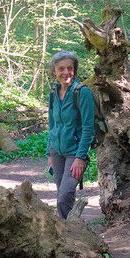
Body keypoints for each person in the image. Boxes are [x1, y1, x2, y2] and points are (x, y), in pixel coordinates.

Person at [47, 50, 95, 219]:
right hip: (57, 152)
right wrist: (49, 152)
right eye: (61, 69)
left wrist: (81, 157)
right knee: (62, 194)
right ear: (54, 71)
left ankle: (68, 232)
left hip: (75, 152)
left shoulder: (82, 93)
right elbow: (52, 124)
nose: (66, 72)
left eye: (70, 68)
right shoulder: (53, 93)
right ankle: (67, 228)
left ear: (75, 69)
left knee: (64, 195)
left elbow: (88, 128)